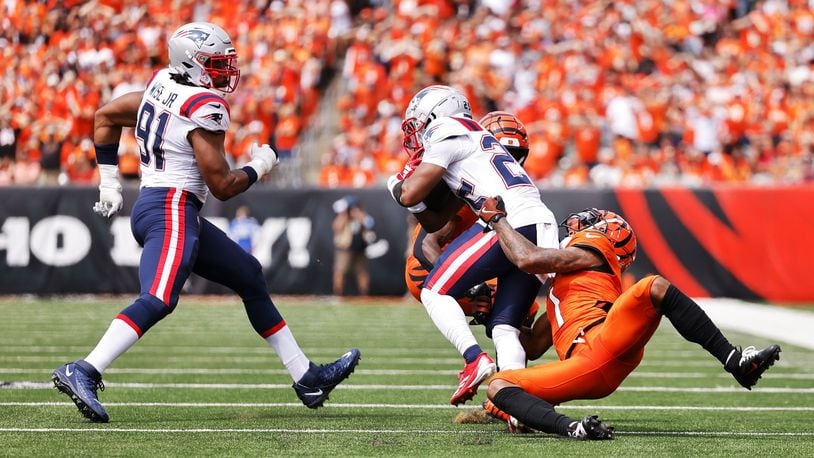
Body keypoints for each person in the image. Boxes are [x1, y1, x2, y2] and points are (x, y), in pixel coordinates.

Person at [51, 22, 361, 423]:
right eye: (215, 64)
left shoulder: (161, 83)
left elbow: (106, 116)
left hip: (162, 206)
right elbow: (223, 186)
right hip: (172, 208)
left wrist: (109, 183)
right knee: (159, 298)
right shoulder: (203, 107)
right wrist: (261, 164)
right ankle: (86, 369)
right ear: (191, 63)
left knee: (248, 274)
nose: (223, 72)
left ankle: (306, 377)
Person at [476, 199, 782, 440]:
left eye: (590, 223)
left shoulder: (597, 249)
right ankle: (574, 429)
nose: (576, 227)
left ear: (606, 234)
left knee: (654, 286)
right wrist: (488, 311)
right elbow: (530, 346)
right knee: (497, 386)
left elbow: (528, 259)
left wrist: (497, 220)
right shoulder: (567, 291)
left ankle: (735, 361)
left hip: (604, 340)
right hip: (584, 366)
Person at [387, 87, 559, 406]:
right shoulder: (478, 140)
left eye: (420, 123)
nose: (418, 132)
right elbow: (434, 224)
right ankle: (515, 406)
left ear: (437, 114)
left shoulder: (448, 128)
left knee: (434, 290)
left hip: (506, 223)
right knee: (505, 327)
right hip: (540, 224)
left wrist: (395, 185)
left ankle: (474, 359)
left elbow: (409, 194)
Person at [404, 111, 538, 326]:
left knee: (522, 295)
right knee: (523, 307)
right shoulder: (466, 186)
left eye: (513, 154)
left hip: (470, 263)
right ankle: (481, 356)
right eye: (504, 152)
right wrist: (472, 287)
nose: (507, 161)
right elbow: (425, 247)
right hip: (428, 266)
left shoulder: (517, 191)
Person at [332, 195, 375, 296]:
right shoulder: (343, 216)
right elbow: (336, 227)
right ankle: (338, 294)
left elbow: (370, 224)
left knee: (362, 273)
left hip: (360, 248)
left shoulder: (362, 215)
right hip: (345, 249)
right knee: (340, 271)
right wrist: (344, 215)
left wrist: (358, 215)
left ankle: (364, 295)